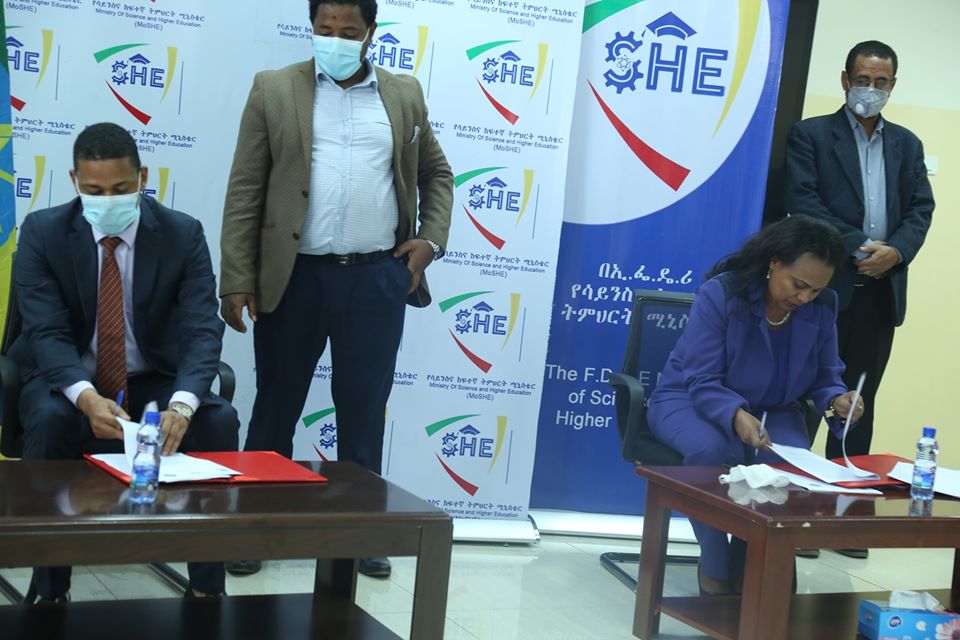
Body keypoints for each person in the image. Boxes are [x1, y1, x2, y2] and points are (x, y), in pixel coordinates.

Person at [219, 0, 452, 579]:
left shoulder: (403, 94)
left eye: (349, 31)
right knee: (275, 407)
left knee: (364, 412)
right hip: (294, 277)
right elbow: (246, 187)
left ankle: (360, 535)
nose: (335, 39)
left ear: (371, 33)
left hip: (376, 278)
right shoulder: (274, 89)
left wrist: (430, 240)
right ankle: (254, 530)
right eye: (324, 29)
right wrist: (238, 278)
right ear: (312, 28)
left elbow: (437, 174)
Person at [10, 122, 239, 602]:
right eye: (94, 191)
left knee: (218, 420)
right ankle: (49, 590)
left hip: (152, 380)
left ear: (143, 178)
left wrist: (182, 405)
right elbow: (46, 332)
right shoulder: (43, 232)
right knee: (51, 418)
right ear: (74, 181)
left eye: (120, 188)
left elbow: (201, 328)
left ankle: (207, 591)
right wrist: (85, 397)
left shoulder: (182, 234)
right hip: (68, 381)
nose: (108, 200)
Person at [646, 215, 864, 596]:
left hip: (774, 409)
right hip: (690, 398)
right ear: (774, 262)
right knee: (713, 449)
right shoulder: (722, 295)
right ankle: (715, 564)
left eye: (816, 289)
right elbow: (702, 377)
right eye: (798, 285)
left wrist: (838, 399)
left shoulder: (822, 307)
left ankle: (757, 568)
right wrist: (735, 414)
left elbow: (826, 375)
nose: (805, 298)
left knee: (786, 467)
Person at [784, 40, 933, 462]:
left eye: (880, 82)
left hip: (880, 295)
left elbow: (921, 208)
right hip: (823, 291)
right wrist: (858, 247)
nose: (871, 89)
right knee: (804, 398)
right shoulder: (810, 135)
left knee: (858, 406)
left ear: (893, 85)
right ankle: (786, 486)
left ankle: (845, 490)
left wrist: (897, 252)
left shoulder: (907, 144)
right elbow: (803, 202)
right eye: (862, 79)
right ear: (845, 81)